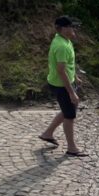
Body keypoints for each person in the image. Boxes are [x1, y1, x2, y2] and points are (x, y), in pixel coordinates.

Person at [38, 16, 89, 157]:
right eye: (72, 27)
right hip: (61, 85)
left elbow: (67, 66)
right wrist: (72, 92)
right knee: (70, 116)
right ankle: (72, 148)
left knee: (68, 110)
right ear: (64, 29)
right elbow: (61, 70)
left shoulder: (64, 40)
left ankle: (47, 133)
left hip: (62, 82)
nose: (74, 29)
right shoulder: (61, 46)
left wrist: (75, 77)